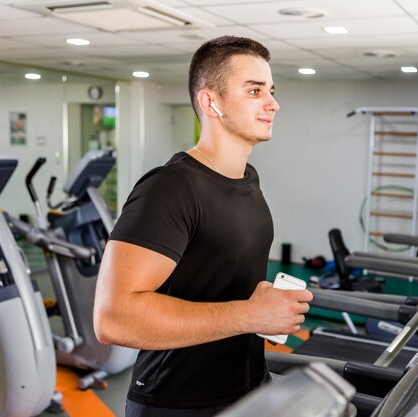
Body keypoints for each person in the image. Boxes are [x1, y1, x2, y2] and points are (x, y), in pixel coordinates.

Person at [93, 36, 313, 417]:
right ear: (211, 102)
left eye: (271, 91)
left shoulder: (247, 179)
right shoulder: (170, 188)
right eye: (254, 91)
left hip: (244, 389)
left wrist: (262, 302)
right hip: (177, 403)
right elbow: (114, 317)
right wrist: (250, 314)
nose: (273, 103)